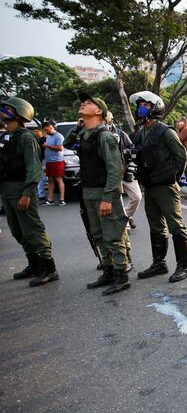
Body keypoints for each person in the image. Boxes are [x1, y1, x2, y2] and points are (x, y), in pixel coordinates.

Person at [63, 93, 130, 295]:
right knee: (98, 234)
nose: (83, 103)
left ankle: (121, 275)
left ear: (99, 112)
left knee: (113, 235)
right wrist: (78, 126)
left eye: (89, 103)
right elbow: (66, 145)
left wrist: (108, 197)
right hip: (89, 191)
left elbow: (115, 169)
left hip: (103, 193)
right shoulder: (85, 134)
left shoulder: (105, 136)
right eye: (83, 102)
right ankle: (108, 271)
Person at [130, 90, 187, 283]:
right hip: (149, 186)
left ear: (155, 109)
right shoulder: (140, 134)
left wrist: (173, 177)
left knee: (176, 226)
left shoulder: (166, 131)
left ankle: (184, 266)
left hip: (166, 186)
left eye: (146, 105)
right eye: (139, 105)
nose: (141, 108)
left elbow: (182, 156)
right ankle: (159, 263)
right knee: (156, 227)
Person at [0, 97, 59, 286]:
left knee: (33, 230)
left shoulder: (26, 137)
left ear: (19, 114)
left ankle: (49, 268)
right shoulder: (6, 137)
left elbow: (33, 168)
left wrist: (27, 194)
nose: (3, 112)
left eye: (8, 110)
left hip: (21, 190)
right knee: (18, 231)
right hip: (7, 190)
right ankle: (34, 264)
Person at [106, 112, 142, 231]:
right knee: (118, 201)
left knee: (137, 197)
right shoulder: (98, 135)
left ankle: (127, 216)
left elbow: (132, 149)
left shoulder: (121, 134)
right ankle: (124, 226)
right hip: (111, 174)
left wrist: (123, 153)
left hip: (126, 172)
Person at [41, 120, 66, 206]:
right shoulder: (49, 136)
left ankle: (62, 199)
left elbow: (60, 148)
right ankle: (50, 199)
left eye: (47, 130)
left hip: (57, 161)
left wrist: (47, 146)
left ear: (51, 127)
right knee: (50, 180)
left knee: (58, 179)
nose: (46, 132)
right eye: (45, 130)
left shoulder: (59, 136)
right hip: (49, 161)